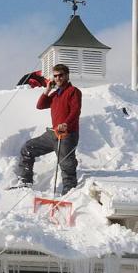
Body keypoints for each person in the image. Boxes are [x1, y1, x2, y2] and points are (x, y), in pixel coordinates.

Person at [15, 63, 81, 194]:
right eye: (55, 76)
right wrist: (47, 90)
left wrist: (65, 124)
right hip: (53, 134)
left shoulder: (73, 91)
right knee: (28, 148)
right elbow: (40, 105)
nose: (58, 78)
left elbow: (75, 111)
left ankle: (69, 192)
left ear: (67, 76)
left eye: (60, 75)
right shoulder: (55, 94)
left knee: (66, 164)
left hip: (67, 134)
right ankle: (25, 182)